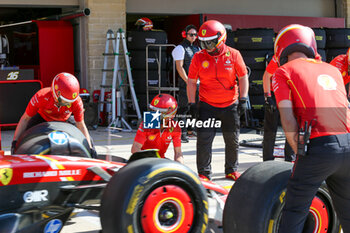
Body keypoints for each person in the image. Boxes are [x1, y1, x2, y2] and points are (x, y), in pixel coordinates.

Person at [272, 24, 350, 233]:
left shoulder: (282, 72)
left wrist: (299, 152)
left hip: (319, 146)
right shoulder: (333, 70)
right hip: (348, 144)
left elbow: (287, 117)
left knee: (295, 211)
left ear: (280, 50)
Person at [187, 20, 249, 181]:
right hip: (207, 105)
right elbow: (191, 81)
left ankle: (231, 170)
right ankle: (204, 173)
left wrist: (243, 99)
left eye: (211, 43)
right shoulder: (198, 58)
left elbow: (243, 77)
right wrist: (192, 103)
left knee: (232, 140)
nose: (207, 47)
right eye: (204, 43)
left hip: (230, 104)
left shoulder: (234, 54)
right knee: (204, 140)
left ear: (221, 38)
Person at [12, 72, 95, 156]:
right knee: (24, 137)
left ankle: (92, 156)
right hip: (43, 117)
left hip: (65, 119)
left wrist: (90, 148)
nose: (67, 104)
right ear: (56, 93)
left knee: (88, 140)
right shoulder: (41, 96)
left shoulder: (77, 102)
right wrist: (15, 142)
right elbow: (25, 119)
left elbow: (81, 125)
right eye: (64, 101)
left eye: (70, 102)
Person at [131, 93, 184, 163]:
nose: (154, 114)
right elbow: (135, 149)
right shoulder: (147, 122)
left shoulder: (175, 127)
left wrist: (180, 167)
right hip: (143, 161)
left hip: (160, 160)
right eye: (153, 110)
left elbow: (178, 153)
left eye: (159, 112)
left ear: (170, 113)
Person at [171, 24, 201, 143]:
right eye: (191, 34)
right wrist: (188, 81)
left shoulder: (197, 49)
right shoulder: (180, 48)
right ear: (185, 35)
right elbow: (180, 67)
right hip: (186, 83)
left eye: (195, 35)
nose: (193, 37)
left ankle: (191, 130)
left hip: (197, 83)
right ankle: (180, 133)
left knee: (195, 108)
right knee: (183, 109)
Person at [262, 55, 295, 162]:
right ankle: (267, 160)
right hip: (275, 94)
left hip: (291, 94)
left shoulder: (306, 57)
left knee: (292, 128)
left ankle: (290, 159)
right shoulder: (279, 56)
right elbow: (267, 76)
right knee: (270, 129)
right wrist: (268, 98)